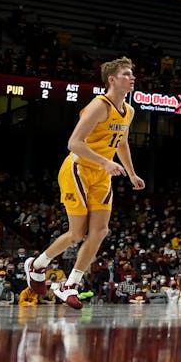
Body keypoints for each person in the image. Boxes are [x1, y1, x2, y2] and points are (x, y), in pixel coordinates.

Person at [25, 57, 144, 310]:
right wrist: (105, 162)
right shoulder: (99, 106)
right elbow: (74, 143)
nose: (132, 78)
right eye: (126, 74)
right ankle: (37, 265)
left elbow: (121, 143)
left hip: (101, 174)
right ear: (112, 80)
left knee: (101, 231)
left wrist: (132, 174)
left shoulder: (129, 110)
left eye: (132, 74)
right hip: (78, 169)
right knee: (77, 233)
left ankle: (71, 284)